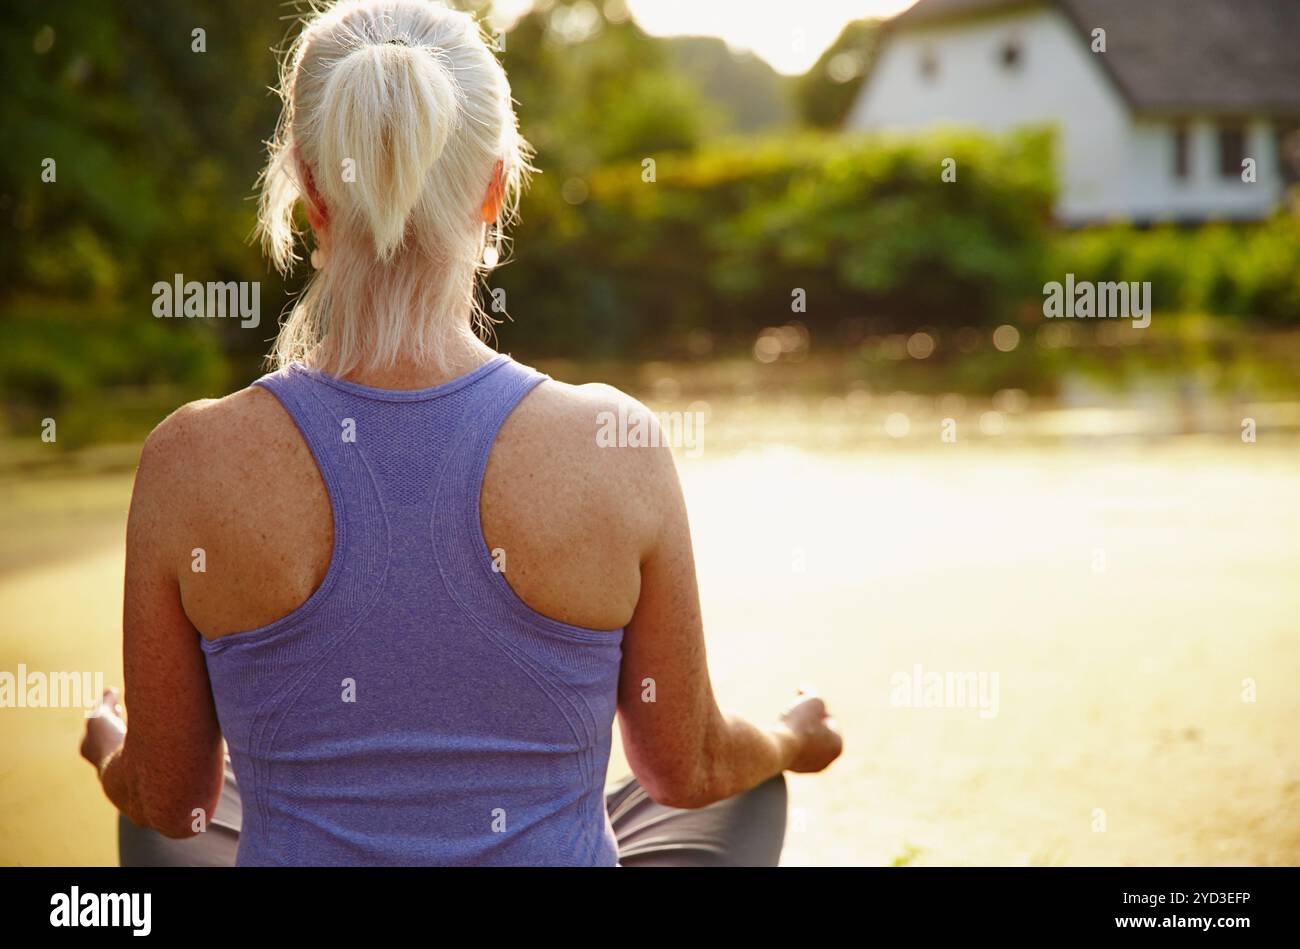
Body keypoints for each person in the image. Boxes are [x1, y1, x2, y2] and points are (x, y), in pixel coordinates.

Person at [78, 0, 842, 866]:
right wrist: (787, 738)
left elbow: (172, 801)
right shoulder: (614, 443)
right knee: (741, 783)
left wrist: (112, 745)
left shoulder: (190, 459)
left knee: (193, 804)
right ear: (494, 187)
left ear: (310, 189)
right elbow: (686, 763)